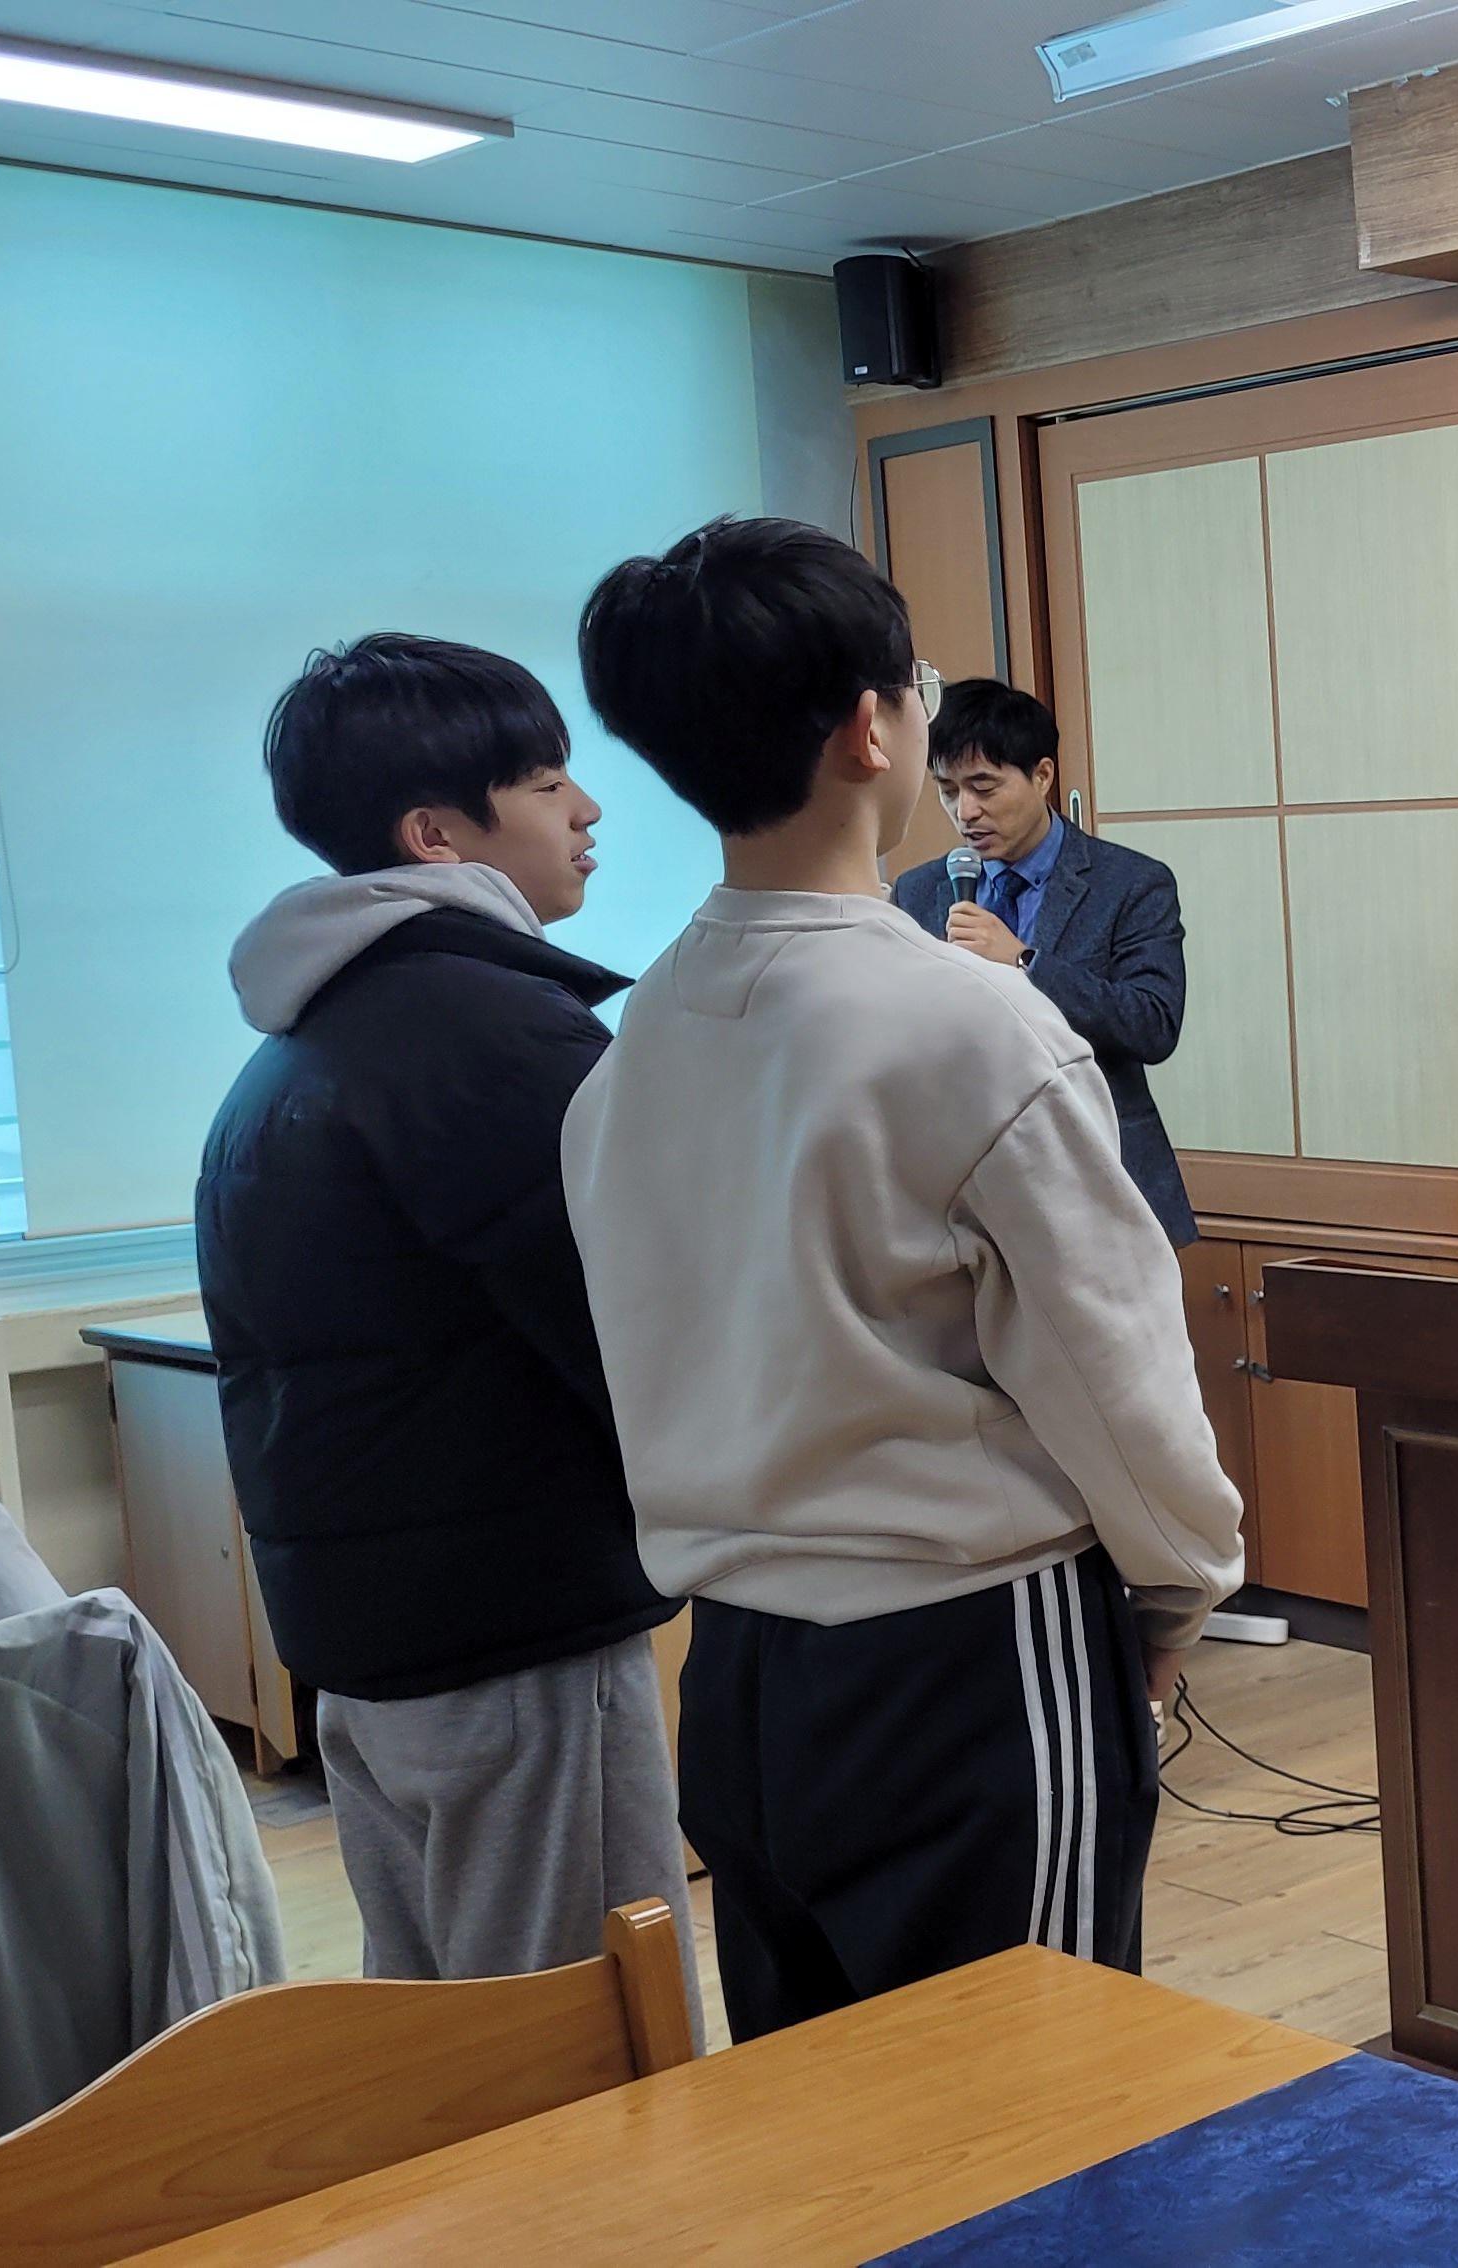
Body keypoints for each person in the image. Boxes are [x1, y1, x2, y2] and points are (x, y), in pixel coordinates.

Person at [560, 518, 1244, 2040]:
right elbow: (1113, 1367)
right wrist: (1182, 1583)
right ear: (873, 730)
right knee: (1038, 2101)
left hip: (736, 1670)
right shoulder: (968, 1025)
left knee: (833, 2106)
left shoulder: (636, 1037)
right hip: (965, 1648)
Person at [195, 634, 690, 2012]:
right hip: (514, 1634)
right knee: (584, 2034)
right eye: (545, 783)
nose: (587, 809)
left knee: (443, 2034)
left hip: (378, 1639)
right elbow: (638, 1332)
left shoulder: (308, 1035)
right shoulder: (490, 1034)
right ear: (435, 835)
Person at [889, 680, 1196, 1247]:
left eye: (984, 786)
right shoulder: (920, 891)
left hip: (1100, 1176)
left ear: (1043, 776)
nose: (966, 812)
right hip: (967, 1190)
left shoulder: (1131, 883)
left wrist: (1025, 960)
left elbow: (1152, 1024)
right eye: (947, 791)